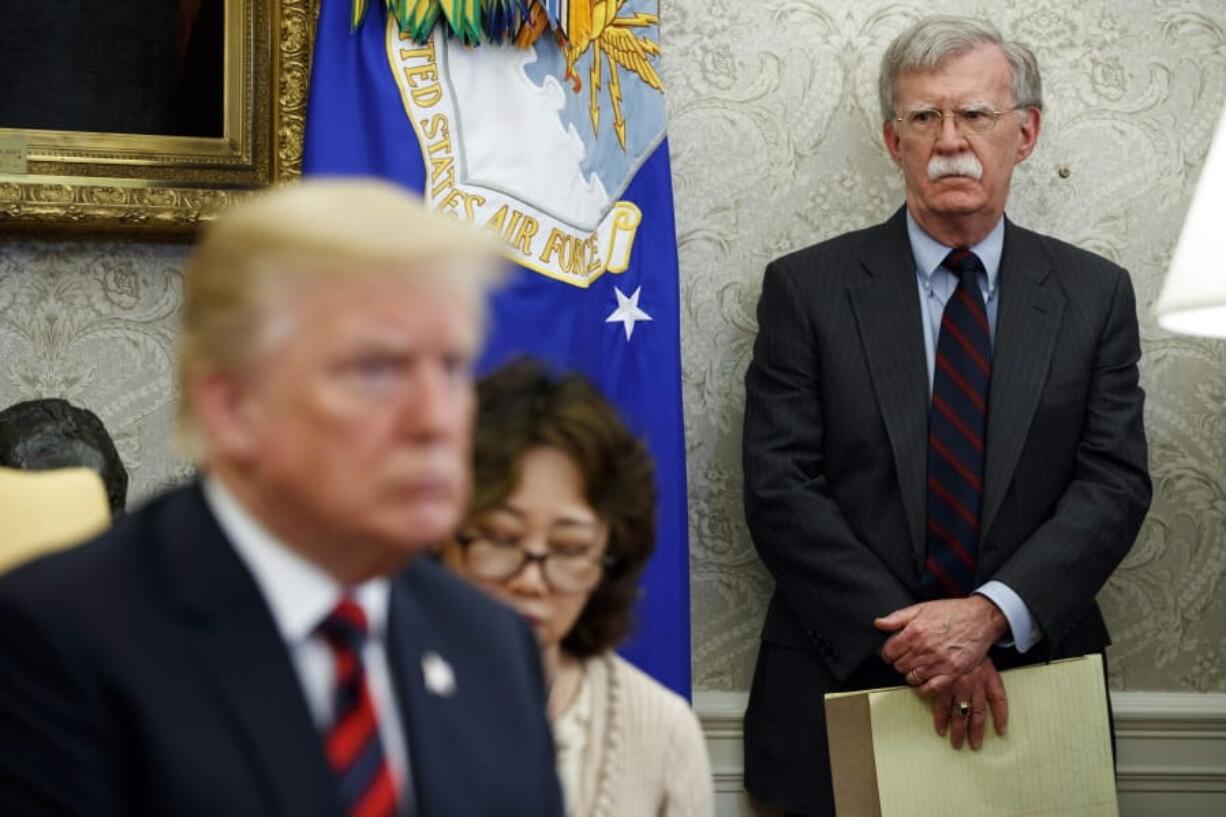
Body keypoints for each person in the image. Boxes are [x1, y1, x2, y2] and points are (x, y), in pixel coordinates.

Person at [0, 180, 564, 817]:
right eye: (377, 369)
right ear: (232, 405)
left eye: (454, 367)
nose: (436, 419)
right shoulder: (59, 642)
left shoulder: (489, 642)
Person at [741, 16, 1152, 816]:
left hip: (1037, 694)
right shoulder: (806, 288)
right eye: (924, 117)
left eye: (975, 115)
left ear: (1025, 133)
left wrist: (989, 616)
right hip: (840, 679)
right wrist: (926, 644)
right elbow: (780, 488)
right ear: (894, 142)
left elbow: (1114, 483)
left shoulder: (1095, 294)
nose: (949, 140)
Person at [441, 360, 713, 817]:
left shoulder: (663, 731)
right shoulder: (364, 695)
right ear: (439, 534)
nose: (531, 579)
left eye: (568, 548)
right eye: (502, 539)